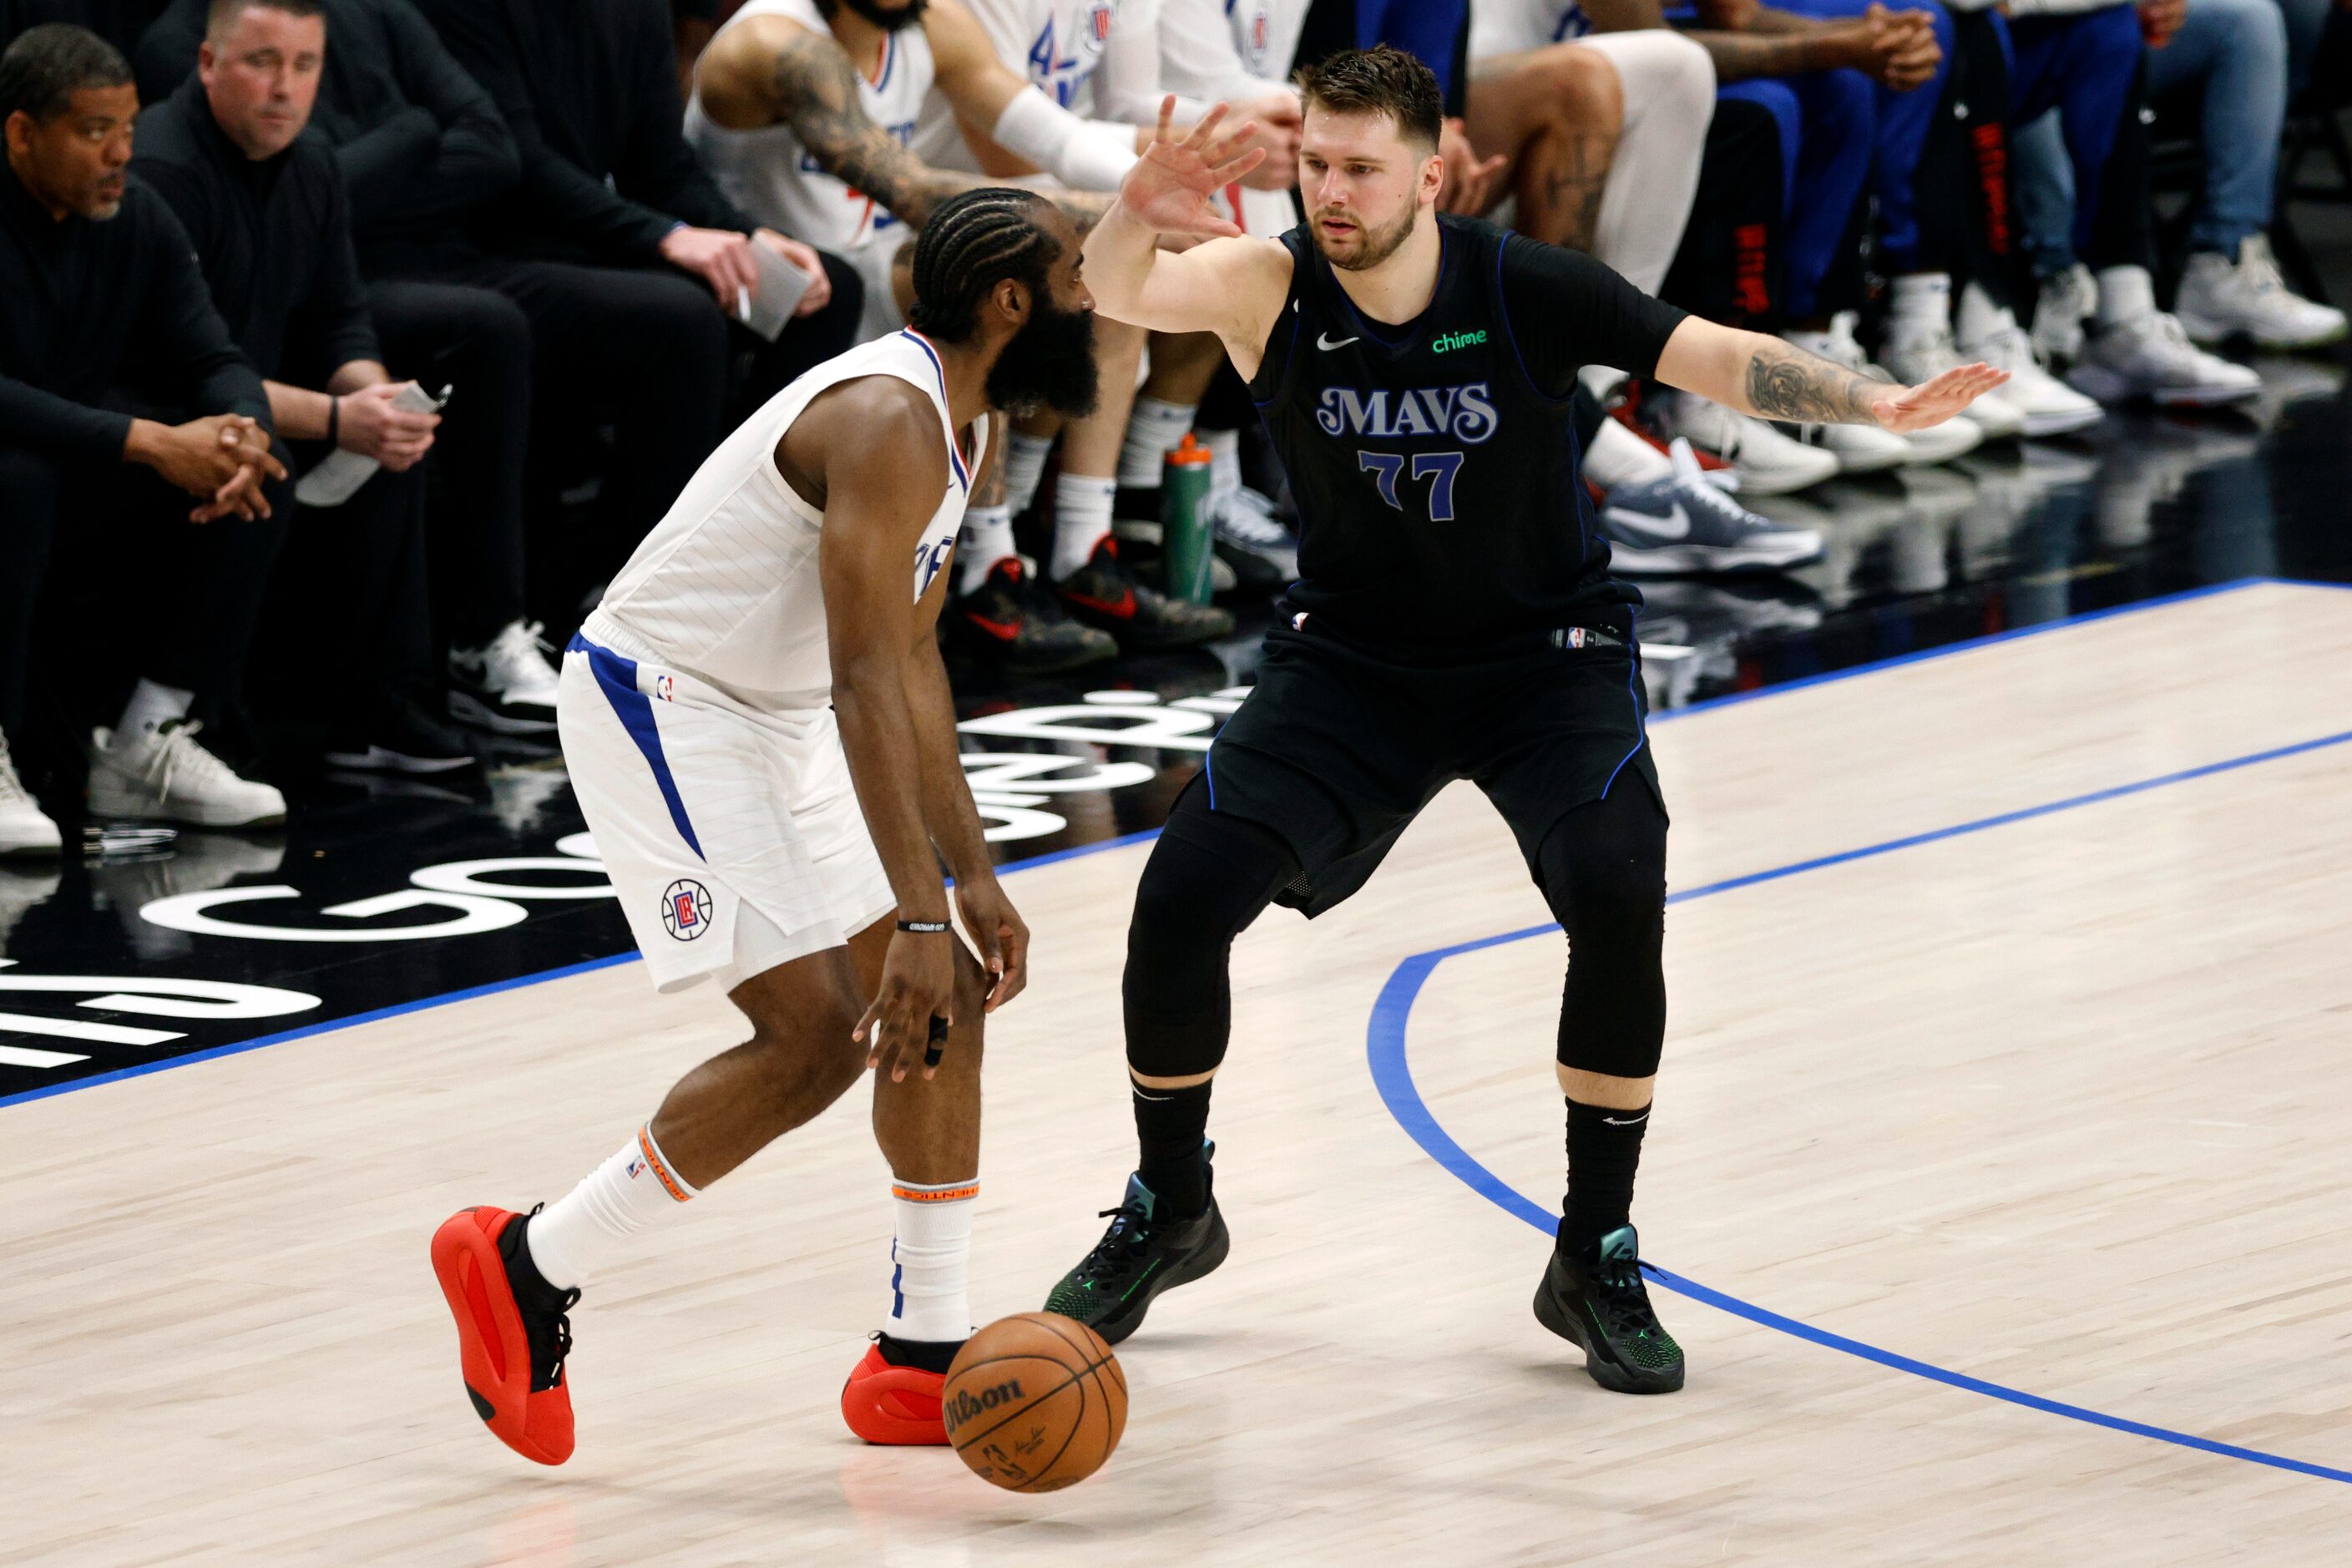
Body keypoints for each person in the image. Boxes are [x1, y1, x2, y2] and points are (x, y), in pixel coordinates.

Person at [1038, 52, 2004, 1393]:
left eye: (1360, 167)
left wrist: (1870, 404)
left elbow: (1707, 352)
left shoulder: (1517, 286)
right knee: (1181, 894)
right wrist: (1138, 202)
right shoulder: (1271, 286)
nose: (1330, 191)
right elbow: (1116, 288)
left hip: (1538, 658)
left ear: (1429, 174)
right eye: (1314, 162)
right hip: (1353, 663)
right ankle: (1171, 1204)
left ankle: (1592, 1242)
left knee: (1618, 883)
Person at [429, 187, 1100, 1462]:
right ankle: (525, 1260)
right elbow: (862, 679)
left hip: (777, 710)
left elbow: (910, 660)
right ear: (1013, 303)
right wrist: (909, 906)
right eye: (1077, 279)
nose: (1094, 301)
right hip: (668, 698)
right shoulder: (888, 418)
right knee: (812, 1039)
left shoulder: (972, 418)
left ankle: (920, 1352)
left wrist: (969, 877)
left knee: (939, 989)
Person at [688, 0, 1228, 662]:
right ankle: (985, 566)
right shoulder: (780, 44)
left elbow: (1050, 136)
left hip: (870, 265)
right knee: (1006, 276)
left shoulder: (930, 22)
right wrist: (1123, 208)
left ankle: (1078, 547)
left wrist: (1135, 191)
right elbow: (909, 189)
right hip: (779, 286)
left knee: (1105, 276)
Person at [134, 0, 567, 735]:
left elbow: (338, 318)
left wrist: (374, 394)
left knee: (391, 444)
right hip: (160, 409)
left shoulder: (307, 165)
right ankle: (178, 720)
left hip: (247, 387)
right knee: (286, 443)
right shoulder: (162, 170)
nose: (286, 88)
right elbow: (182, 366)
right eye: (262, 62)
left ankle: (375, 707)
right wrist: (338, 417)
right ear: (207, 64)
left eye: (305, 66)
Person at [410, 0, 862, 597]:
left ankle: (744, 549)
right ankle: (642, 583)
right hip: (489, 248)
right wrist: (666, 236)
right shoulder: (469, 13)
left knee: (820, 292)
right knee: (681, 318)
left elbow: (662, 165)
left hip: (597, 236)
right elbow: (515, 165)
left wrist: (748, 237)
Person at [1, 23, 290, 843]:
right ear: (23, 134)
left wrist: (245, 436)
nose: (122, 153)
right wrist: (153, 442)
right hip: (19, 473)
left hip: (70, 473)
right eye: (96, 133)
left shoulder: (136, 216)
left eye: (129, 129)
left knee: (264, 468)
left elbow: (214, 352)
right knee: (14, 478)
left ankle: (146, 742)